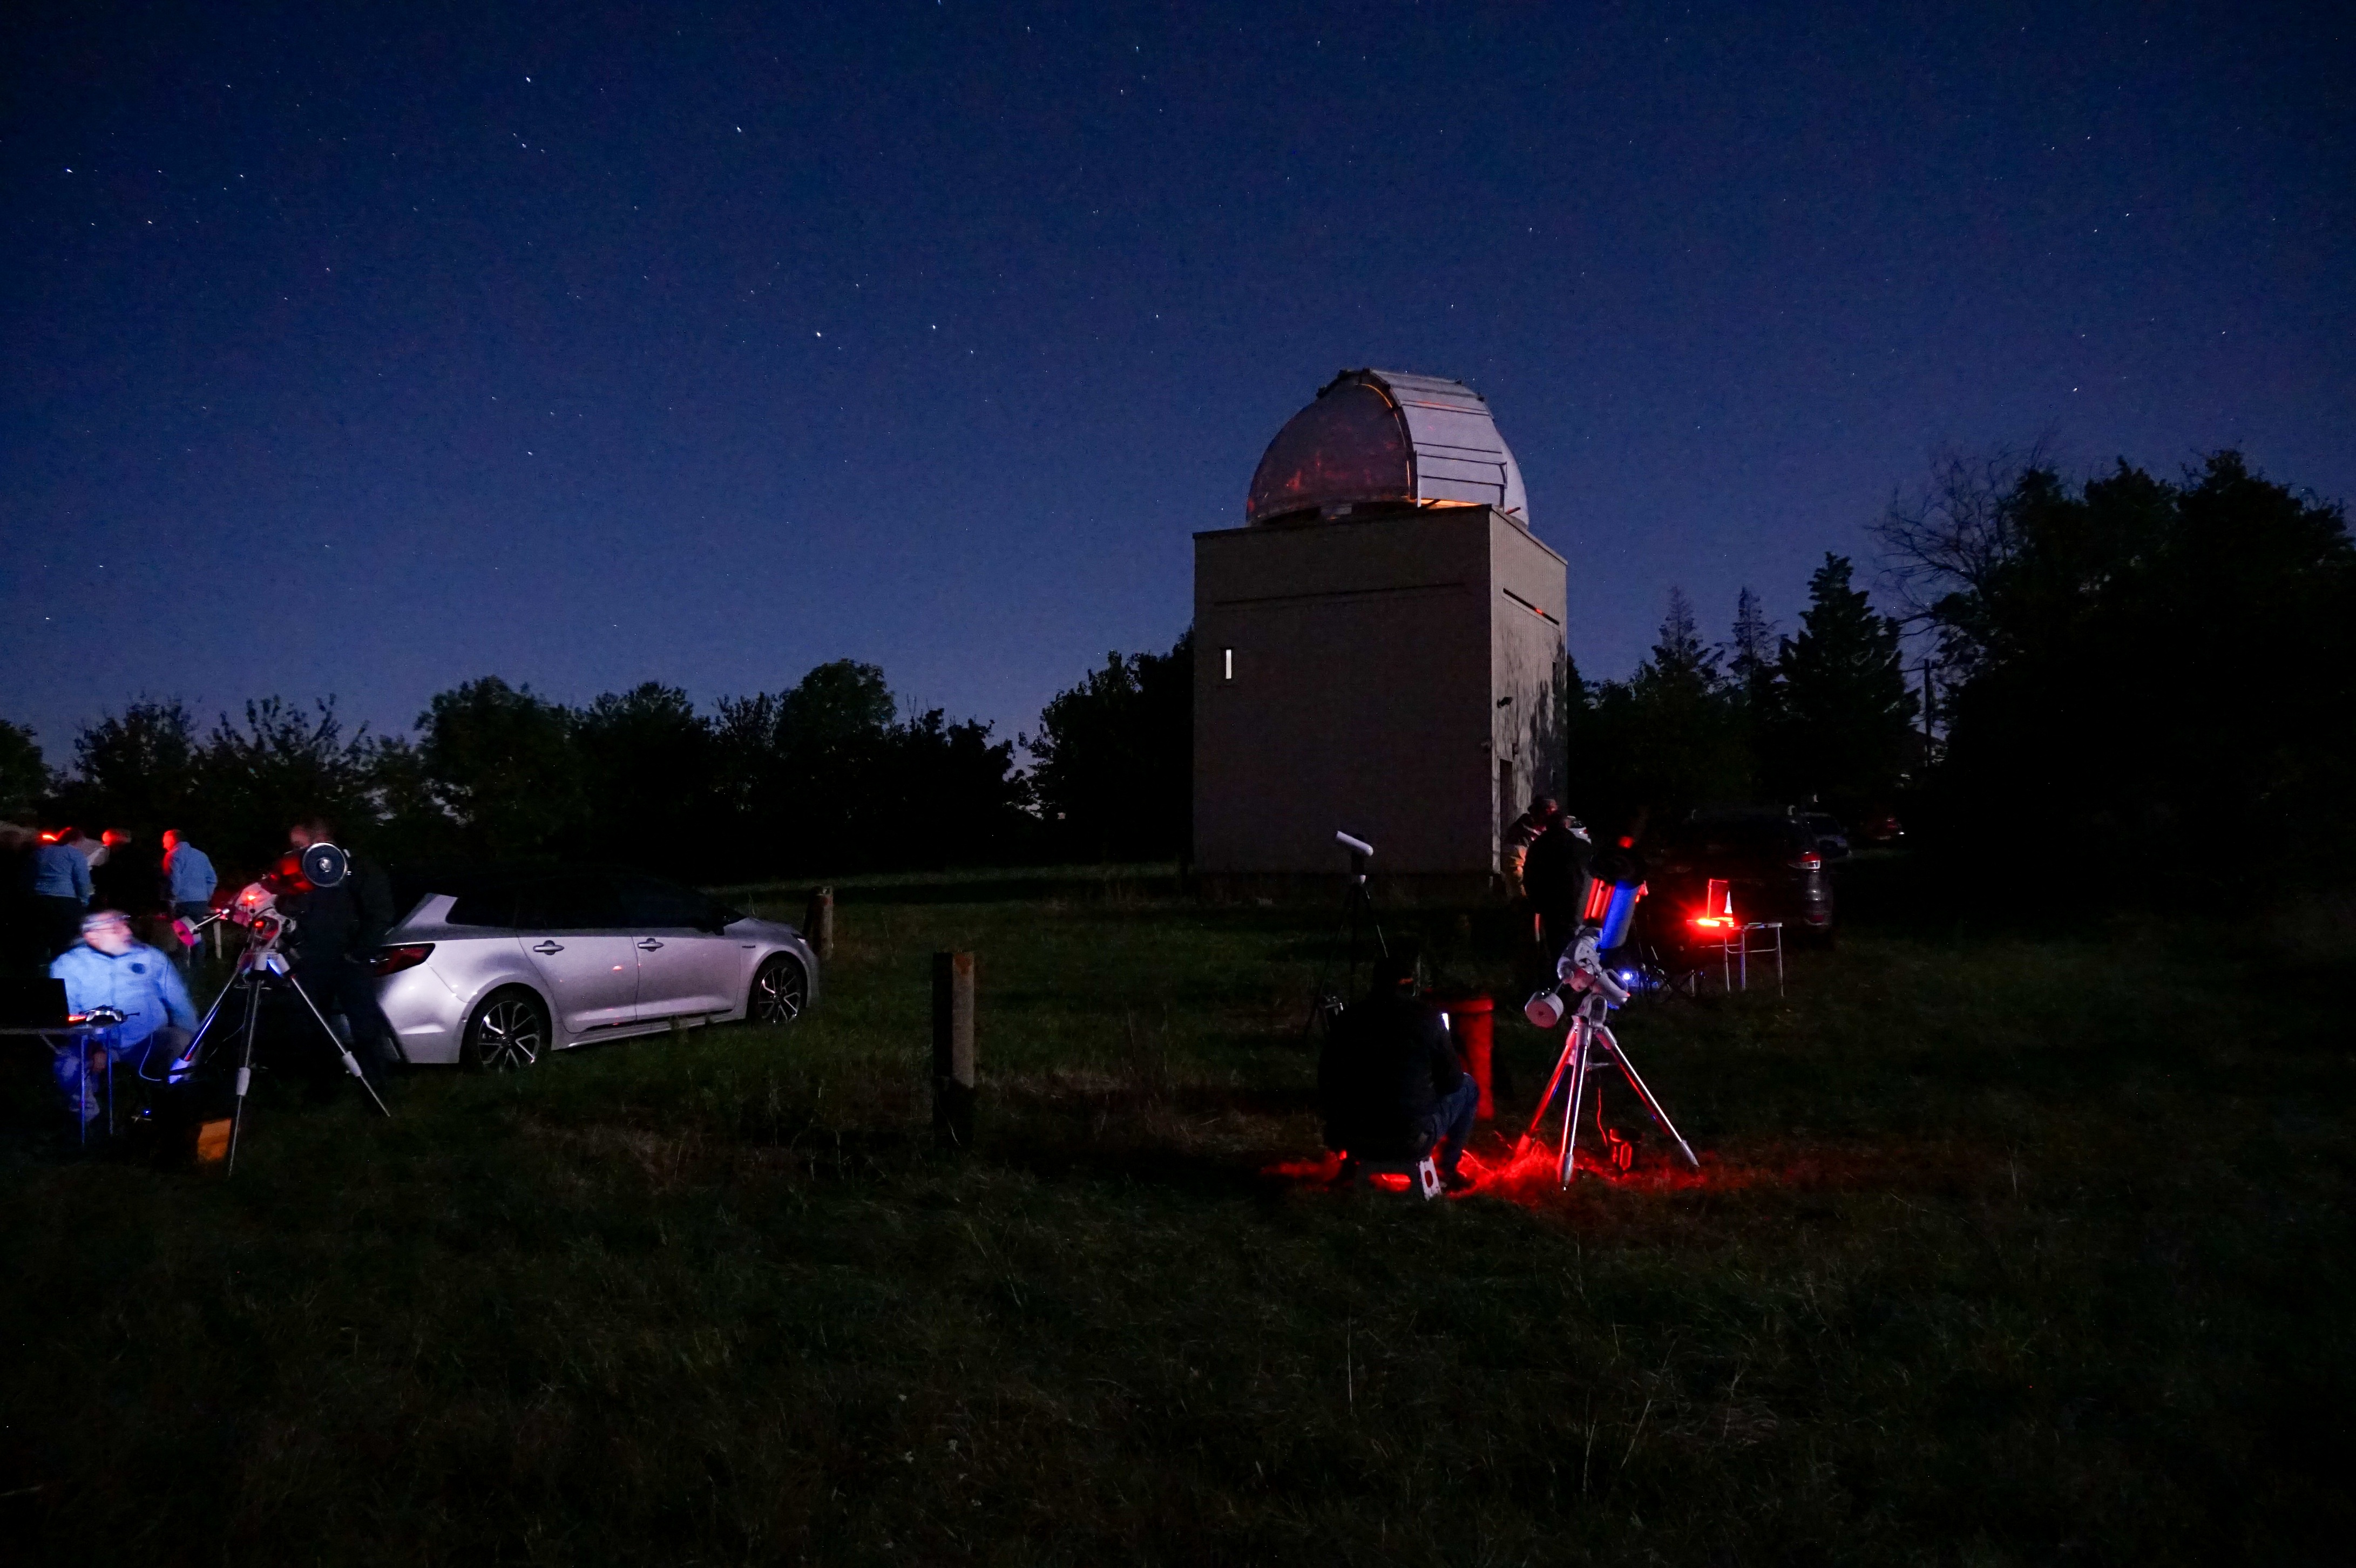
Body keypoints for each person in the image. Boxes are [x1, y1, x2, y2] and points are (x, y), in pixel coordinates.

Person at [1318, 941, 1481, 1192]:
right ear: (1410, 985)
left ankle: (1350, 1166)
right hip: (1409, 1140)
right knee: (1468, 1087)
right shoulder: (1428, 1018)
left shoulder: (1349, 1018)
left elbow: (1327, 1079)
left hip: (1352, 1137)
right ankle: (1446, 1171)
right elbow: (1453, 1082)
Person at [275, 816, 401, 1080]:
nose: (295, 852)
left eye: (299, 846)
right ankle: (322, 1083)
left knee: (364, 1024)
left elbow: (380, 914)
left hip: (349, 962)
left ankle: (375, 1082)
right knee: (312, 1023)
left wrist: (358, 952)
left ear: (321, 840)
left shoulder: (359, 869)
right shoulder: (305, 872)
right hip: (312, 960)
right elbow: (288, 907)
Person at [48, 908, 197, 1126]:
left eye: (125, 925)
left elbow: (179, 1002)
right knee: (67, 1063)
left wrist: (195, 1039)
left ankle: (173, 1113)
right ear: (92, 936)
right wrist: (93, 1045)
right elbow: (69, 1014)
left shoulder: (151, 957)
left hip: (148, 1040)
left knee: (182, 1043)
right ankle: (90, 1123)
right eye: (116, 928)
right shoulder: (68, 965)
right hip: (97, 1041)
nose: (127, 932)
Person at [26, 829, 95, 957]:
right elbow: (82, 880)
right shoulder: (75, 854)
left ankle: (36, 965)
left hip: (39, 899)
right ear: (78, 840)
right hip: (66, 901)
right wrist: (84, 900)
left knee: (38, 940)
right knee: (63, 942)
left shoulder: (40, 852)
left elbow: (30, 876)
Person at [160, 829, 218, 972]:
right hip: (200, 902)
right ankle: (198, 968)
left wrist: (171, 901)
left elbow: (174, 881)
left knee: (181, 935)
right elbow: (212, 879)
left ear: (173, 840)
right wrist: (206, 896)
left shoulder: (173, 855)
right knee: (196, 933)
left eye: (165, 841)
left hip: (182, 902)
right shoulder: (201, 855)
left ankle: (182, 968)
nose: (164, 845)